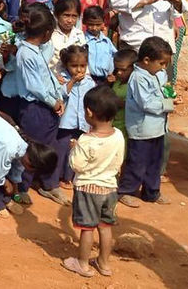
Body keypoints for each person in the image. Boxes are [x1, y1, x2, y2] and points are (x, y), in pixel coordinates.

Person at [61, 86, 125, 278]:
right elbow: (118, 159)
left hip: (88, 189)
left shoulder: (86, 140)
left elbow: (76, 165)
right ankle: (104, 264)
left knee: (87, 229)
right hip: (110, 188)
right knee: (105, 227)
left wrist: (74, 148)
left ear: (89, 112)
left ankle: (82, 264)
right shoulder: (118, 135)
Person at [15, 5, 66, 205]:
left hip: (46, 107)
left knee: (47, 146)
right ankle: (22, 186)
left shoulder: (35, 50)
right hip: (35, 108)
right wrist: (54, 102)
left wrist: (56, 99)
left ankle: (47, 183)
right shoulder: (26, 54)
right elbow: (34, 86)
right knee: (33, 149)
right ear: (46, 33)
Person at [118, 36, 174, 207]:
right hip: (142, 129)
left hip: (158, 128)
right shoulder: (138, 78)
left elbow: (166, 89)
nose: (164, 67)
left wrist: (171, 96)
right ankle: (126, 191)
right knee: (137, 162)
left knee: (154, 163)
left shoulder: (160, 73)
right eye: (161, 63)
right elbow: (147, 103)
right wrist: (167, 105)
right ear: (147, 60)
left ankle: (151, 192)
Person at [54, 45, 95, 193]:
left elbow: (92, 100)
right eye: (74, 66)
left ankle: (68, 177)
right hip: (65, 123)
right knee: (61, 150)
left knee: (76, 150)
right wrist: (71, 81)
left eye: (83, 66)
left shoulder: (89, 82)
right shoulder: (61, 79)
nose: (79, 70)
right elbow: (61, 94)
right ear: (66, 65)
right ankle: (57, 177)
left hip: (82, 123)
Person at [50, 0, 86, 77]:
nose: (70, 20)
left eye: (74, 16)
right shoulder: (50, 35)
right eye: (66, 15)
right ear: (56, 15)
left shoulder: (79, 34)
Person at [109, 49, 137, 142]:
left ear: (133, 68)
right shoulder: (117, 82)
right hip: (113, 124)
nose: (119, 72)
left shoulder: (134, 85)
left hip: (126, 127)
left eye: (123, 70)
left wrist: (122, 103)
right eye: (117, 69)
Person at [84, 6, 117, 84]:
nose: (94, 28)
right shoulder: (83, 41)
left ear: (103, 22)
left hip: (106, 79)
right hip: (88, 79)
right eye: (91, 24)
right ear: (84, 22)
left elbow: (115, 56)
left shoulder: (107, 41)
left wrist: (112, 73)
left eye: (98, 24)